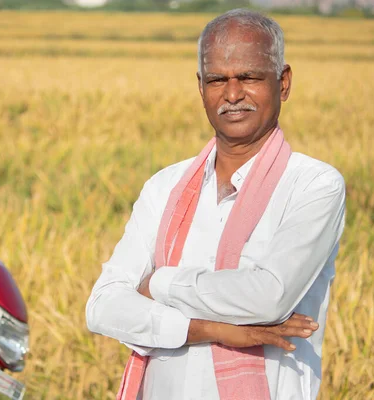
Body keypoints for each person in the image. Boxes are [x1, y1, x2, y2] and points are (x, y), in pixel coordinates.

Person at [85, 8, 346, 400]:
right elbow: (102, 306)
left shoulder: (313, 185)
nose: (233, 94)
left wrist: (158, 283)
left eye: (250, 77)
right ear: (200, 86)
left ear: (284, 82)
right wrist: (211, 329)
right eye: (217, 80)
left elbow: (267, 296)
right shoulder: (165, 187)